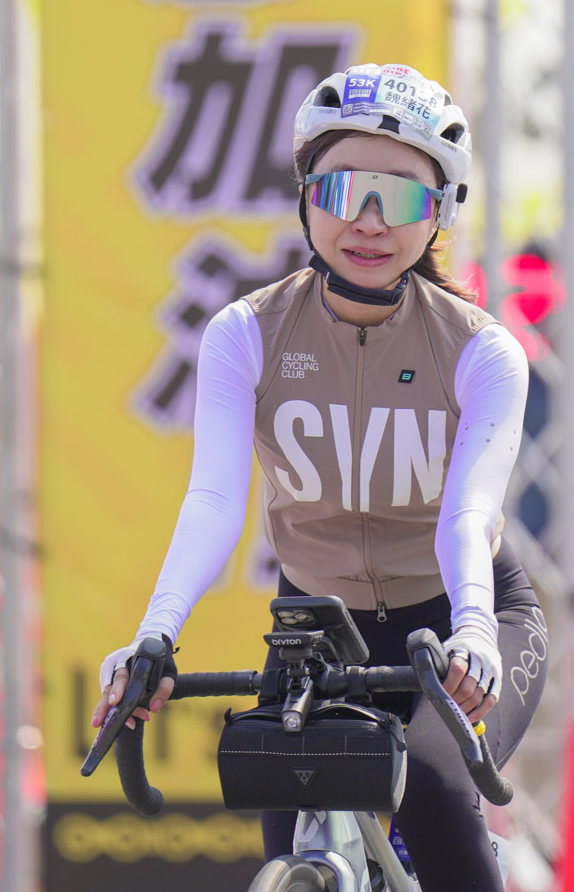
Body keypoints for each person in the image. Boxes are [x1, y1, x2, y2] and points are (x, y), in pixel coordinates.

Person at [92, 63, 548, 891]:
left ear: (441, 211)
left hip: (461, 619)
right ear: (306, 196)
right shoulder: (246, 332)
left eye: (400, 197)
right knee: (281, 814)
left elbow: (469, 513)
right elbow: (214, 499)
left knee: (433, 787)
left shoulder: (482, 350)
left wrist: (475, 630)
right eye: (343, 191)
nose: (369, 221)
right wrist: (154, 635)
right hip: (316, 628)